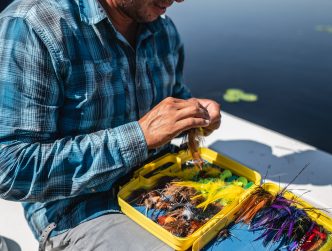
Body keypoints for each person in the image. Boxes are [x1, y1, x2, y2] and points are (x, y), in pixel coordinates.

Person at [0, 0, 221, 250]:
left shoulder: (163, 29)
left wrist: (194, 116)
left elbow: (174, 98)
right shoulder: (33, 25)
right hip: (82, 210)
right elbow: (10, 169)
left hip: (163, 187)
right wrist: (139, 137)